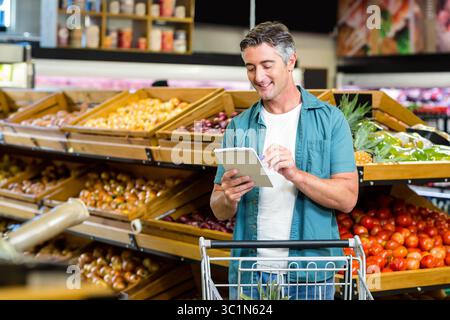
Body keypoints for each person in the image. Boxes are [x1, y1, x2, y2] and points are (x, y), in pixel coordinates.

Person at [210, 21, 358, 300]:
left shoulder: (329, 121)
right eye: (250, 67)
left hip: (310, 272)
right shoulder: (239, 127)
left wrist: (295, 174)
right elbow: (219, 210)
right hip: (250, 272)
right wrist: (227, 197)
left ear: (291, 61)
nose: (258, 76)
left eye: (267, 65)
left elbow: (347, 198)